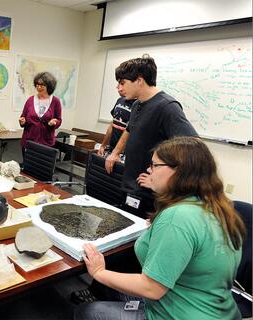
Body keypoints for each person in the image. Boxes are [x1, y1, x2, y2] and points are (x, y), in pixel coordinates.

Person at [75, 136, 246, 320]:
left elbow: (152, 288)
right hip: (217, 309)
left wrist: (99, 272)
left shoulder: (177, 217)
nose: (149, 170)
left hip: (177, 314)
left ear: (179, 171)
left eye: (155, 165)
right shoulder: (217, 207)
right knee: (110, 286)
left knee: (88, 312)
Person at [104, 55, 197, 217]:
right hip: (130, 185)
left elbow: (194, 147)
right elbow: (130, 129)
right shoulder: (136, 104)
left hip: (149, 193)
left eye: (122, 82)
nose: (118, 87)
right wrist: (115, 153)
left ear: (139, 80)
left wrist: (162, 180)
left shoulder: (167, 107)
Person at [19, 72, 62, 154]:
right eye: (37, 85)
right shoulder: (30, 100)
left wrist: (54, 122)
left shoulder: (55, 101)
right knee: (28, 166)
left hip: (46, 143)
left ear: (49, 86)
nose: (38, 87)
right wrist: (22, 122)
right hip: (29, 142)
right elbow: (23, 118)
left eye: (42, 85)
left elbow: (59, 120)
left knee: (43, 166)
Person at [97, 83, 135, 156]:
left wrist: (117, 152)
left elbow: (130, 133)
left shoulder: (138, 106)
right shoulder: (120, 100)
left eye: (122, 83)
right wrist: (103, 146)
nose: (118, 87)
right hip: (112, 149)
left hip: (124, 153)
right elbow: (112, 124)